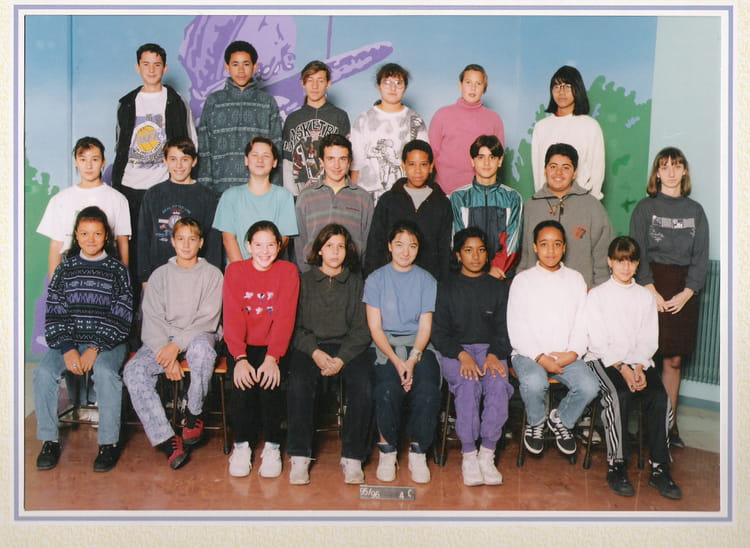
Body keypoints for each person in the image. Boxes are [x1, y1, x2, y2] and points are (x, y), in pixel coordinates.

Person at [33, 206, 133, 472]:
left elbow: (121, 315)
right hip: (70, 340)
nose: (91, 239)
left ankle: (108, 444)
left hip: (107, 342)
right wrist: (68, 349)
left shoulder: (117, 270)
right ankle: (49, 440)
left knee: (105, 373)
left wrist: (94, 347)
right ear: (76, 236)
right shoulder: (65, 269)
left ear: (106, 236)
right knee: (43, 372)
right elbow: (55, 311)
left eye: (97, 233)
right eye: (85, 233)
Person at [585, 236, 681, 499]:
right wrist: (623, 369)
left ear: (637, 264)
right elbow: (598, 340)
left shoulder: (644, 296)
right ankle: (616, 466)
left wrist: (638, 367)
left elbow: (648, 338)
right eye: (620, 261)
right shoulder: (597, 296)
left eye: (631, 262)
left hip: (637, 359)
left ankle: (659, 467)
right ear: (610, 262)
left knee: (659, 397)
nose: (625, 267)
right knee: (619, 395)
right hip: (603, 359)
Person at [123, 217, 223, 469]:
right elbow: (152, 319)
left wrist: (176, 347)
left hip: (199, 334)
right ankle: (167, 439)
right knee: (134, 370)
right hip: (163, 339)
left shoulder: (213, 274)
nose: (186, 245)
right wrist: (166, 355)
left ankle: (193, 412)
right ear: (172, 242)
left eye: (192, 239)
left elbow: (207, 319)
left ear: (201, 243)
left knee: (202, 351)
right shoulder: (160, 275)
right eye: (180, 239)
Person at [629, 146, 709, 448]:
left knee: (673, 360)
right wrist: (650, 288)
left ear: (684, 171)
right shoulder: (644, 208)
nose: (671, 172)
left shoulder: (695, 211)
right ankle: (645, 426)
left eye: (677, 166)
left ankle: (668, 427)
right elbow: (637, 251)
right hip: (651, 285)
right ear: (657, 173)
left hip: (683, 291)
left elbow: (700, 258)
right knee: (646, 356)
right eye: (665, 166)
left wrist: (687, 292)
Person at [286, 224, 374, 485]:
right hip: (311, 347)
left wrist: (342, 358)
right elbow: (295, 326)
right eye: (329, 246)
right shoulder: (304, 281)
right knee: (298, 383)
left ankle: (353, 456)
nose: (335, 252)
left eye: (340, 246)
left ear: (348, 251)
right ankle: (300, 456)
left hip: (347, 348)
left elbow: (362, 329)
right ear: (319, 250)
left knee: (365, 385)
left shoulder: (357, 283)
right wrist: (314, 352)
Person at [508, 220, 599, 458]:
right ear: (535, 247)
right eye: (544, 244)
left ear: (564, 247)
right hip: (529, 354)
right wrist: (540, 357)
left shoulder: (575, 279)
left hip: (565, 354)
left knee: (589, 386)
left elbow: (581, 323)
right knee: (535, 382)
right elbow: (517, 327)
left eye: (557, 244)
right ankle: (536, 422)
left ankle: (561, 420)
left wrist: (573, 353)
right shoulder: (523, 280)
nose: (551, 250)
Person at [431, 227, 513, 486]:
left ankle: (487, 453)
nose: (475, 256)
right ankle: (469, 454)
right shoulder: (445, 288)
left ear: (487, 254)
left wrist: (495, 353)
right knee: (468, 384)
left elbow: (505, 329)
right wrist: (461, 355)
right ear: (458, 255)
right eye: (468, 250)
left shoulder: (497, 288)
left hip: (490, 350)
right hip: (456, 351)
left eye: (481, 250)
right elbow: (439, 333)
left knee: (498, 384)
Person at [112, 42, 197, 288]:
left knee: (167, 245)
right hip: (130, 187)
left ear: (165, 68)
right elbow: (120, 145)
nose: (151, 70)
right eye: (146, 64)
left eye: (157, 65)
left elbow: (190, 142)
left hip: (163, 185)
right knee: (132, 251)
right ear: (137, 67)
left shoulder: (176, 101)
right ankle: (134, 305)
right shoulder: (127, 103)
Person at [363, 221, 441, 484]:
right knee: (387, 388)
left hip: (418, 345)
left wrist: (412, 359)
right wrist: (397, 361)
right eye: (399, 245)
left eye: (412, 246)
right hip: (385, 345)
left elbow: (425, 326)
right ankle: (388, 451)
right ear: (389, 246)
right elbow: (375, 327)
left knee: (428, 388)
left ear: (418, 249)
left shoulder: (426, 280)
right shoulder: (375, 279)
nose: (405, 252)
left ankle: (418, 451)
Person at [223, 221, 300, 478]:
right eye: (258, 245)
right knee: (242, 387)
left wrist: (272, 357)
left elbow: (285, 317)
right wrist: (239, 358)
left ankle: (272, 446)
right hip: (242, 345)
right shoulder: (235, 270)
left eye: (270, 245)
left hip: (274, 344)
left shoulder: (288, 271)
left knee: (270, 386)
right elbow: (232, 316)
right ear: (248, 246)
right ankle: (242, 445)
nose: (264, 251)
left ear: (279, 246)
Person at [517, 143, 613, 288]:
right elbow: (523, 257)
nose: (558, 173)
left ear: (575, 172)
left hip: (581, 292)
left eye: (566, 167)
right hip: (537, 291)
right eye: (553, 166)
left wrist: (596, 291)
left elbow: (603, 257)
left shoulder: (592, 206)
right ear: (544, 170)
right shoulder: (530, 207)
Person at [37, 137, 131, 278]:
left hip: (107, 272)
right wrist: (53, 285)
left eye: (94, 159)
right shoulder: (60, 200)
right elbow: (56, 246)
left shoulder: (118, 199)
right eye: (83, 160)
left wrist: (123, 281)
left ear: (103, 162)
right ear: (75, 161)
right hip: (70, 272)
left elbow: (122, 244)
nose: (89, 166)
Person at [198, 40, 282, 194]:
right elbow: (204, 148)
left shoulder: (267, 102)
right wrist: (205, 190)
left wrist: (275, 190)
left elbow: (276, 147)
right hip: (220, 188)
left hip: (259, 188)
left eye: (246, 64)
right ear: (226, 66)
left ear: (254, 66)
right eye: (235, 64)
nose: (241, 70)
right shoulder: (214, 101)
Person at [137, 137, 221, 285]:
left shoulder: (207, 197)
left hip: (195, 277)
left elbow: (213, 243)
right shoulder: (153, 194)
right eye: (173, 159)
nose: (179, 165)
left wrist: (211, 278)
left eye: (185, 159)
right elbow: (143, 239)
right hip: (158, 277)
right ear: (165, 160)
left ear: (194, 161)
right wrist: (144, 278)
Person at [364, 139, 452, 281]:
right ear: (403, 165)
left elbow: (444, 250)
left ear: (431, 166)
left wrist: (443, 286)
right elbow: (375, 245)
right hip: (392, 280)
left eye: (423, 164)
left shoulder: (442, 203)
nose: (417, 170)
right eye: (412, 164)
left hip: (429, 281)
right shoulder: (388, 200)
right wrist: (372, 281)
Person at [349, 63, 429, 203]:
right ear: (378, 86)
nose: (393, 88)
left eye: (398, 83)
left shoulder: (415, 120)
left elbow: (424, 162)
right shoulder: (363, 119)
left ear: (405, 87)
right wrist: (354, 199)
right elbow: (356, 165)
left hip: (405, 197)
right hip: (368, 195)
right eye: (387, 82)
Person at [213, 136, 298, 263]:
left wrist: (265, 265)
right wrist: (244, 270)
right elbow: (228, 239)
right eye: (254, 155)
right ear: (246, 160)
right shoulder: (230, 196)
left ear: (274, 162)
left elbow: (283, 238)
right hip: (239, 269)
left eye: (266, 156)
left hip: (271, 266)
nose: (260, 160)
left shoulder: (284, 196)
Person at [294, 134, 373, 271]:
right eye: (330, 159)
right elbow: (300, 243)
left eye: (342, 159)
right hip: (314, 276)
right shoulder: (306, 197)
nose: (337, 165)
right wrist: (308, 276)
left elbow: (367, 244)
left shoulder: (363, 198)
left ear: (349, 162)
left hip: (351, 276)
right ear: (321, 161)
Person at [449, 135, 523, 280]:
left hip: (500, 276)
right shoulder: (457, 197)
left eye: (492, 157)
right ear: (472, 161)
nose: (486, 163)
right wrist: (482, 270)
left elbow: (512, 244)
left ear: (500, 161)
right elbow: (456, 241)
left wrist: (494, 269)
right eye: (480, 157)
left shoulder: (513, 198)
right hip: (468, 277)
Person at [531, 65, 605, 200]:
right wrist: (543, 201)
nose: (561, 92)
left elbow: (597, 171)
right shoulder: (541, 127)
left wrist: (589, 203)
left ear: (577, 89)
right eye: (557, 86)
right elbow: (538, 172)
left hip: (581, 200)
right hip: (549, 201)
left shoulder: (590, 126)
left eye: (567, 86)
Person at [428, 64, 505, 194]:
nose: (473, 88)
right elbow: (431, 155)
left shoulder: (494, 119)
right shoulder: (441, 115)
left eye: (478, 83)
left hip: (480, 193)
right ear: (460, 85)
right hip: (444, 192)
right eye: (468, 82)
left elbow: (497, 158)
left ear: (484, 88)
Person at [282, 60, 351, 196]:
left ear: (328, 83)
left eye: (320, 81)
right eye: (310, 80)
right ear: (302, 83)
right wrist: (292, 197)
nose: (315, 86)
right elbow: (288, 161)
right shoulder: (292, 119)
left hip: (332, 192)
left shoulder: (339, 116)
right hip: (300, 193)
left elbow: (345, 159)